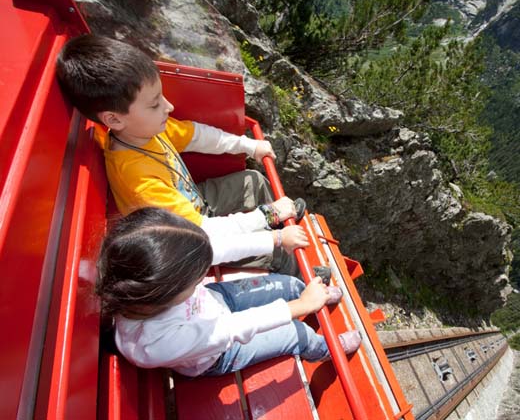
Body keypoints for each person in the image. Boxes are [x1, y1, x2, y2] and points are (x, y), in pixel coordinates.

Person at [55, 34, 305, 271]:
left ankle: (284, 220)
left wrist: (248, 146)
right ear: (114, 119)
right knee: (275, 250)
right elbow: (202, 231)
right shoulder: (139, 183)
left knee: (253, 181)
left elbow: (197, 135)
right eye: (155, 104)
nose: (168, 106)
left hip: (194, 205)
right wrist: (269, 217)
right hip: (186, 240)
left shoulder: (145, 130)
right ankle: (302, 271)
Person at [96, 207, 361, 376]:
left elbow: (219, 249)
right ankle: (324, 348)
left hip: (215, 302)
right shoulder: (155, 345)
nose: (203, 274)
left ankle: (317, 296)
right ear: (168, 292)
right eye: (195, 279)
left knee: (287, 284)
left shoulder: (151, 279)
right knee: (297, 333)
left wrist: (276, 239)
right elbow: (233, 329)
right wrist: (300, 308)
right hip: (220, 352)